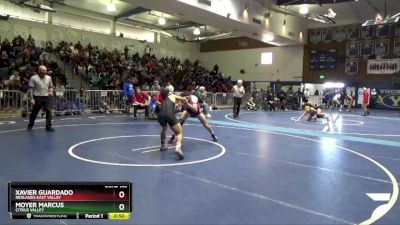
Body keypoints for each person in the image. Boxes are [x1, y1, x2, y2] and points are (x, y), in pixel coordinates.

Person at [156, 88, 190, 160]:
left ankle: (162, 146)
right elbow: (183, 99)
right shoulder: (172, 96)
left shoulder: (164, 100)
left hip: (160, 115)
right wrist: (187, 99)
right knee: (179, 132)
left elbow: (170, 110)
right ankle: (178, 148)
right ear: (170, 93)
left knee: (164, 129)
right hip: (169, 114)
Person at [27, 65, 55, 131]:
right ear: (39, 71)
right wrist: (31, 98)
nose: (45, 71)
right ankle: (30, 125)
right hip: (37, 97)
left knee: (48, 111)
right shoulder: (33, 78)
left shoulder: (49, 78)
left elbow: (50, 86)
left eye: (46, 70)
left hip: (46, 97)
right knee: (34, 112)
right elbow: (31, 89)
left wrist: (51, 90)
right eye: (43, 70)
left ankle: (48, 126)